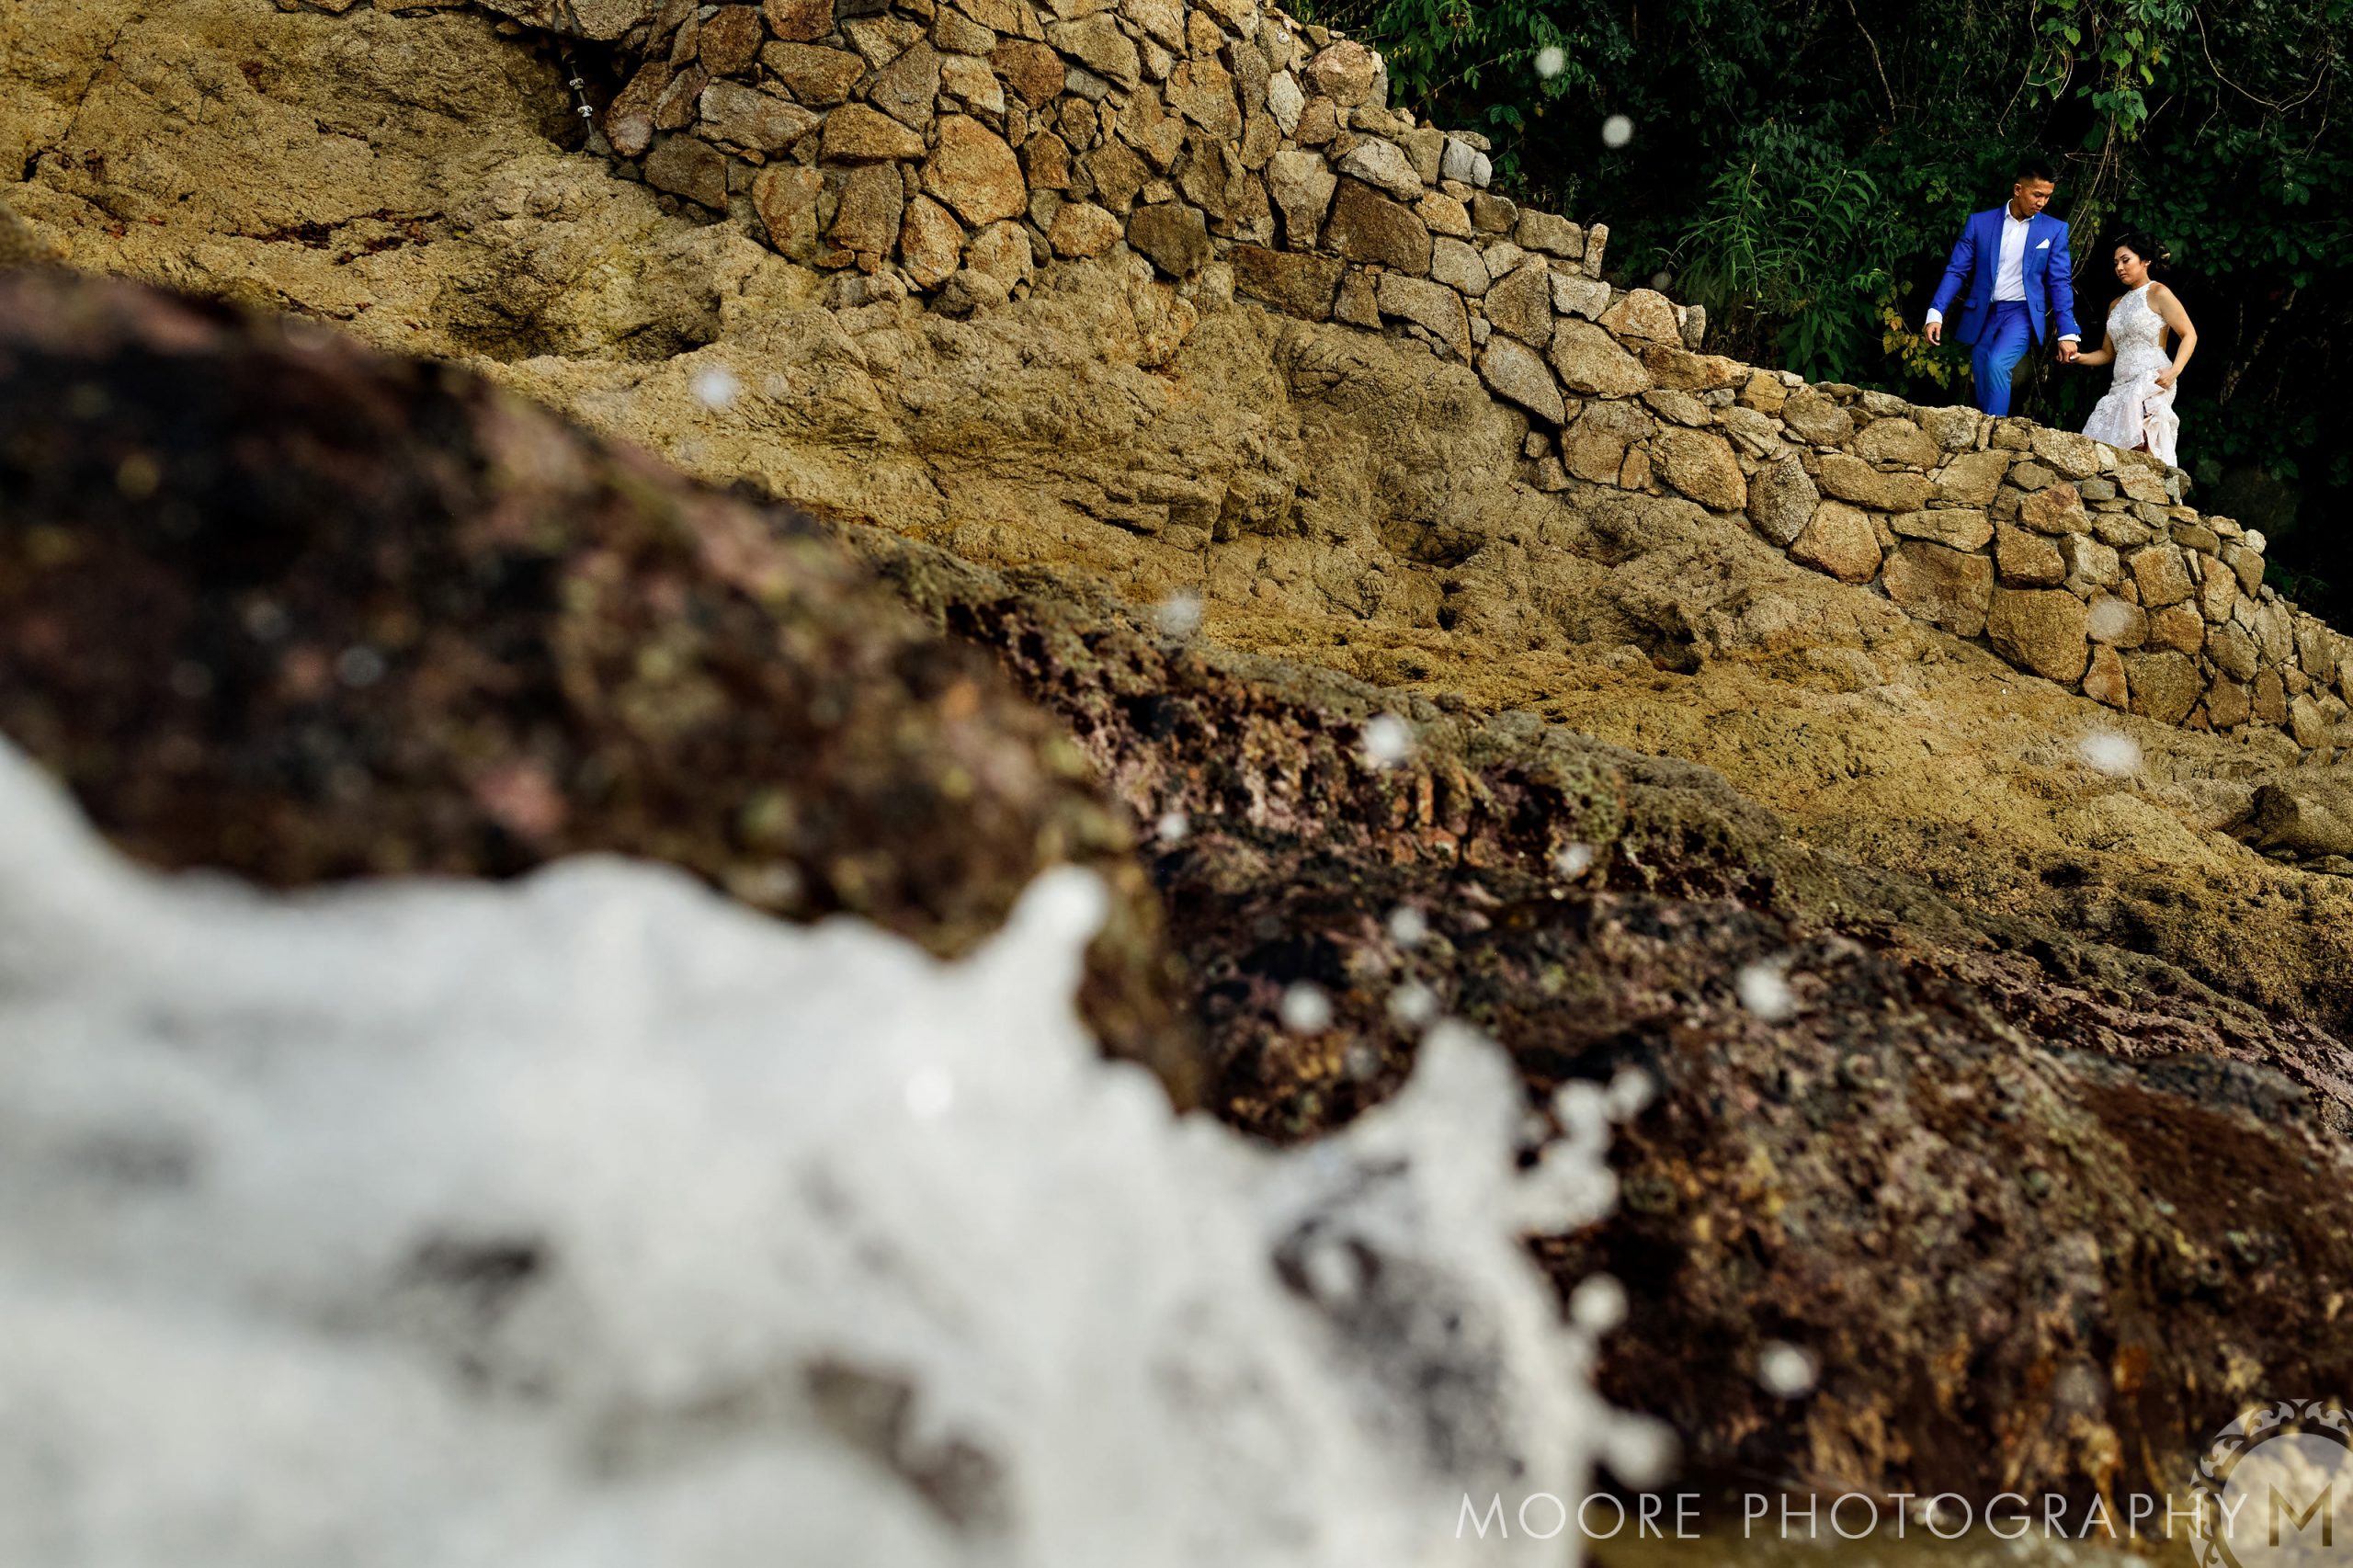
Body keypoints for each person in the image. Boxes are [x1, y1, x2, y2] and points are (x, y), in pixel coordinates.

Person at [1922, 157, 2083, 416]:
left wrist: (2067, 332)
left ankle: (1995, 431)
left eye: (2048, 197)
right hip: (1985, 312)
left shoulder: (2055, 230)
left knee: (1998, 363)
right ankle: (1986, 432)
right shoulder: (1980, 223)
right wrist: (1936, 312)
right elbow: (1956, 270)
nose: (2042, 203)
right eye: (2037, 195)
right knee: (1982, 364)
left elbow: (2059, 282)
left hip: (2022, 314)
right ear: (2018, 189)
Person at [2071, 233, 2197, 465]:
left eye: (2126, 260)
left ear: (2146, 260)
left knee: (2142, 446)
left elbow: (2189, 334)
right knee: (2103, 450)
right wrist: (2079, 358)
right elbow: (2108, 353)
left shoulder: (2159, 292)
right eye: (2116, 263)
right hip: (2120, 385)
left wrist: (2175, 371)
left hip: (2152, 378)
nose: (2119, 267)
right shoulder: (2115, 305)